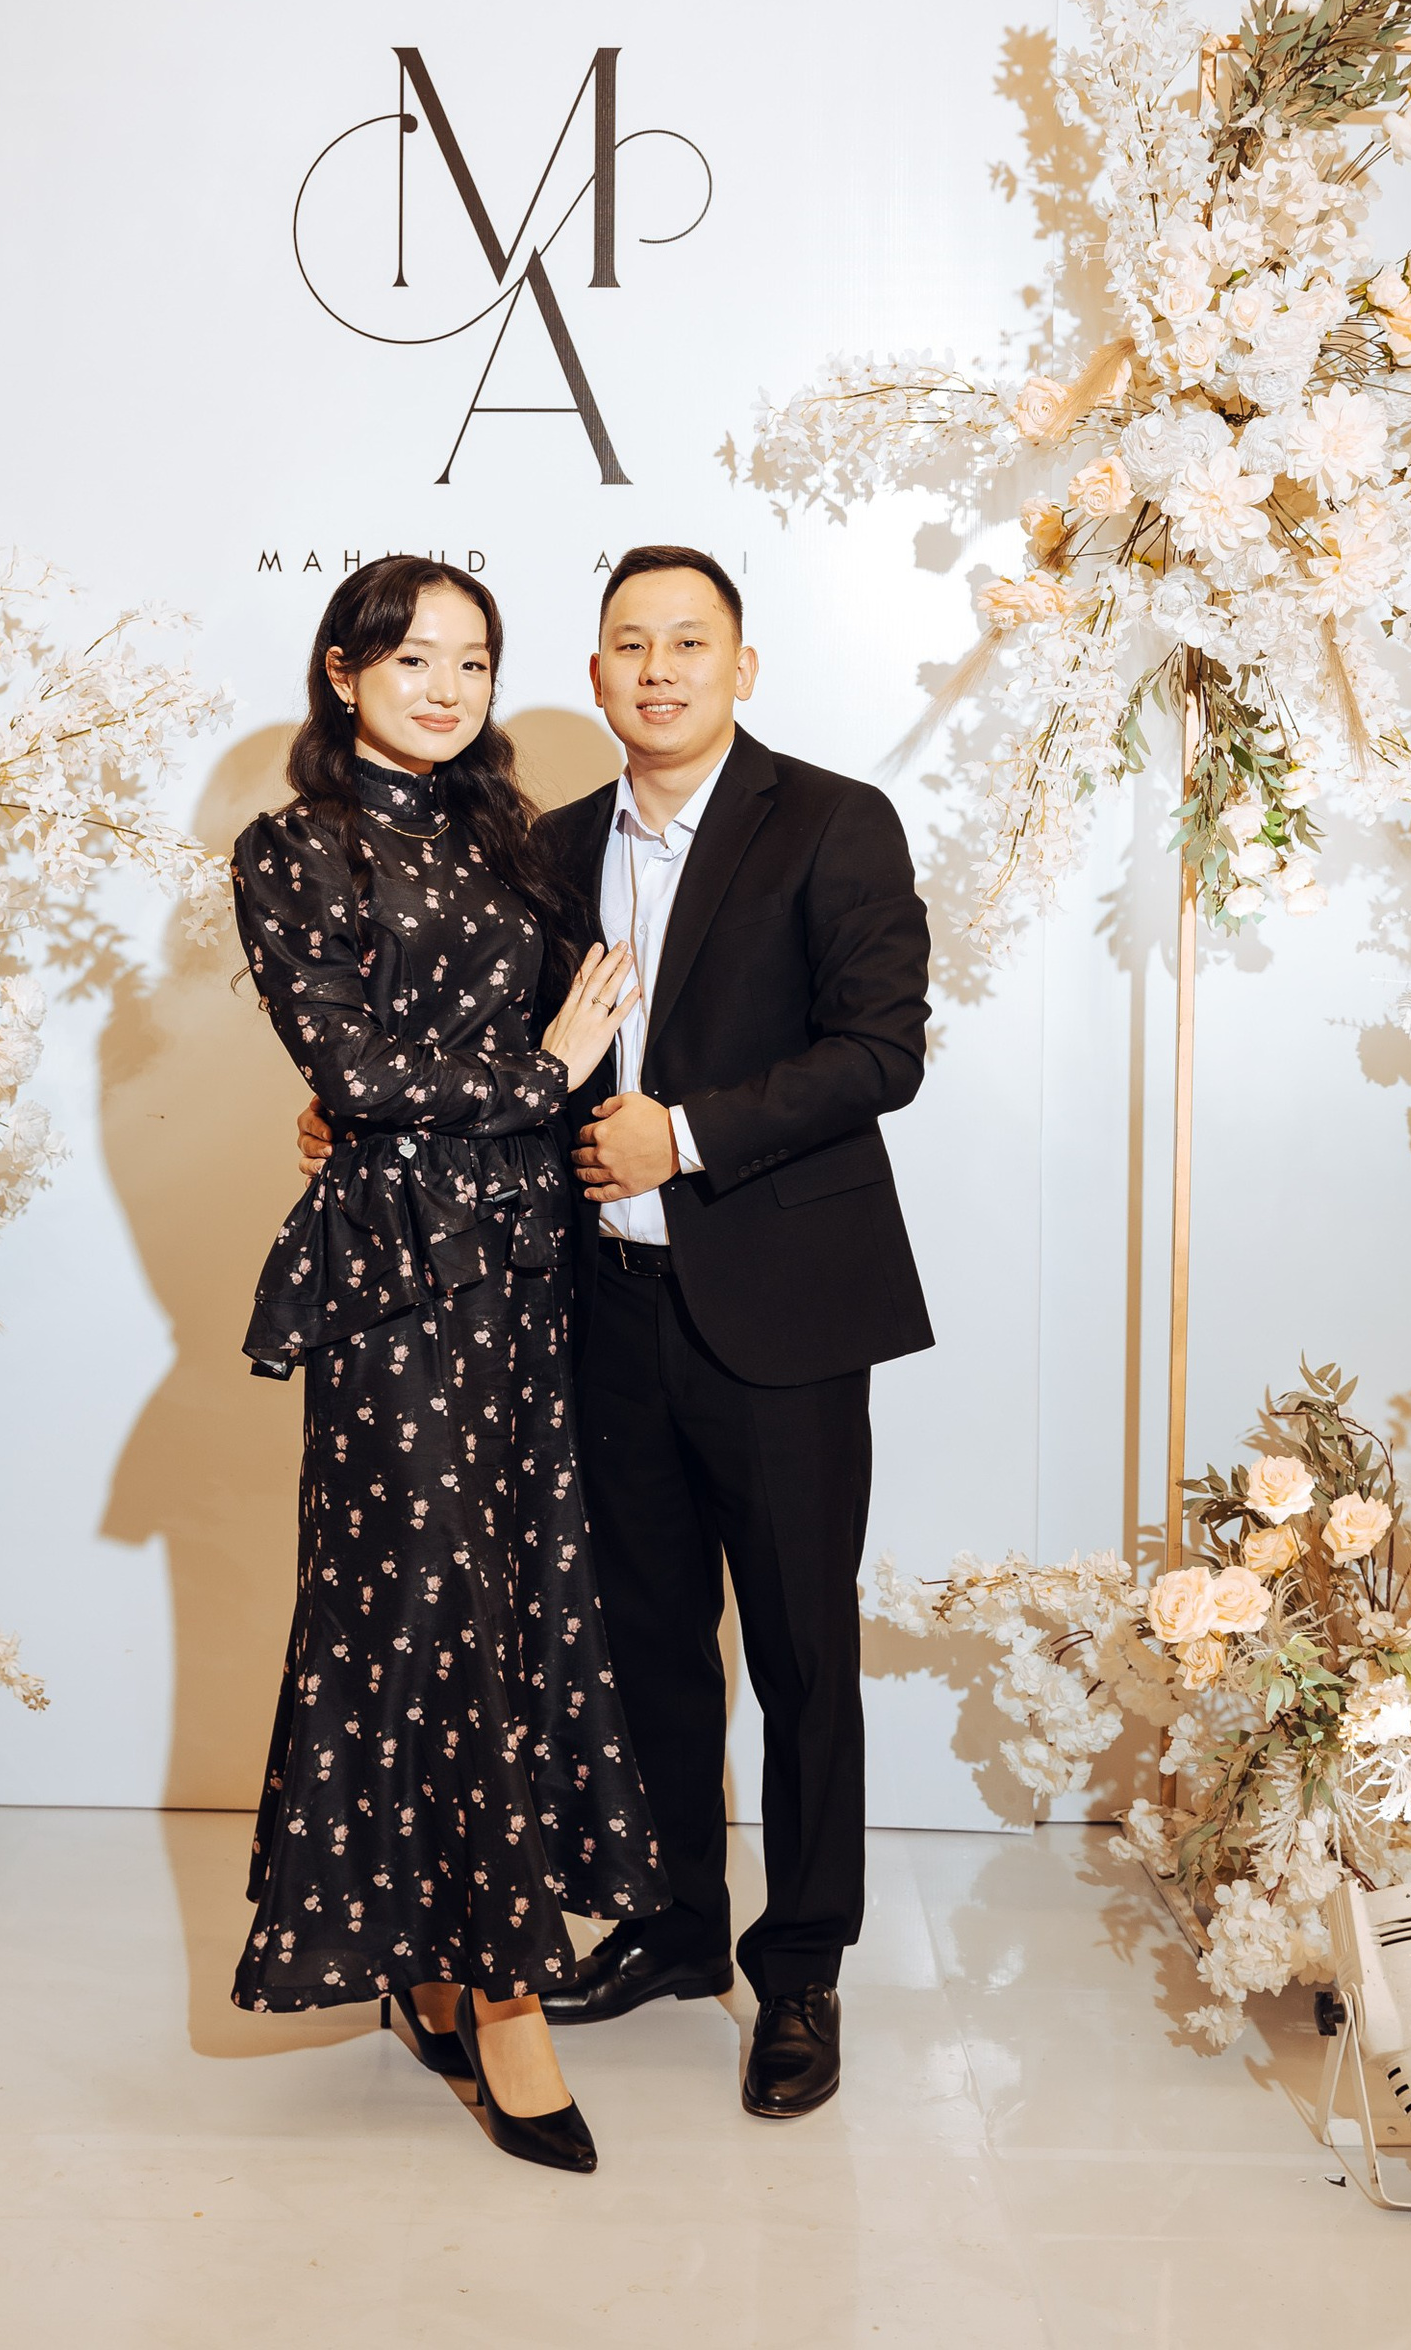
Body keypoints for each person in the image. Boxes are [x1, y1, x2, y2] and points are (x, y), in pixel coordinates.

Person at [310, 547, 932, 2117]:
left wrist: (687, 1136)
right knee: (642, 1640)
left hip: (784, 1309)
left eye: (689, 642)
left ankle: (801, 1969)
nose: (659, 669)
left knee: (800, 1652)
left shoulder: (834, 820)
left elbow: (882, 1050)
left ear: (741, 664)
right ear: (592, 678)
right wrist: (362, 1118)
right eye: (629, 645)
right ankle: (672, 1926)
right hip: (601, 1308)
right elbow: (483, 1044)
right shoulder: (550, 843)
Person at [229, 555, 666, 2177]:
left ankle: (431, 1959)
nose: (446, 686)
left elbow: (469, 1063)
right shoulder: (292, 847)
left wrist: (529, 1090)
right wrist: (535, 1073)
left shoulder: (507, 839)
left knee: (514, 1595)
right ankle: (503, 1995)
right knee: (416, 1607)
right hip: (395, 1286)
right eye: (413, 657)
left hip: (526, 1275)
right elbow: (349, 1065)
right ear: (344, 671)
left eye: (472, 660)